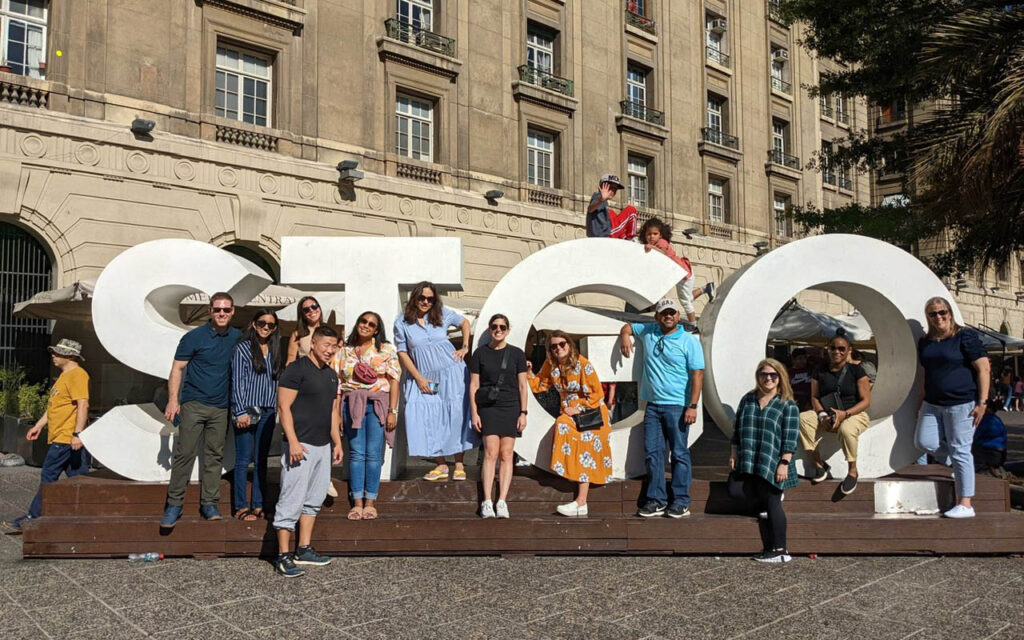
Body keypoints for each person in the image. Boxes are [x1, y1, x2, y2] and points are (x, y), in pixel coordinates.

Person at [161, 293, 241, 529]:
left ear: (233, 311)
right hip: (193, 404)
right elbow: (177, 369)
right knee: (184, 454)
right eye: (217, 309)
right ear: (210, 311)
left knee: (214, 456)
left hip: (221, 407)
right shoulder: (193, 337)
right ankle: (174, 505)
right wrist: (173, 401)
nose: (222, 313)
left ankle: (209, 504)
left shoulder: (238, 337)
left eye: (226, 309)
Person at [619, 298, 705, 518]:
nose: (668, 316)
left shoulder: (689, 341)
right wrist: (625, 336)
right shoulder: (649, 331)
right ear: (657, 316)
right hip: (653, 407)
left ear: (678, 316)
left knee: (679, 454)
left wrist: (693, 406)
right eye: (663, 313)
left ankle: (681, 501)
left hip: (678, 406)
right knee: (653, 454)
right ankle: (656, 500)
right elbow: (627, 326)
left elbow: (697, 374)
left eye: (672, 313)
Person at [273, 326, 343, 577]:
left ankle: (303, 549)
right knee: (291, 499)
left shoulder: (332, 375)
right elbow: (284, 407)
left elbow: (333, 412)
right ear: (312, 343)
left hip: (323, 445)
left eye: (334, 346)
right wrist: (292, 441)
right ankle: (282, 555)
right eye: (326, 345)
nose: (330, 350)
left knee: (313, 501)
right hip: (300, 445)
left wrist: (337, 443)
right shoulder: (295, 370)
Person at [1, 340, 90, 534]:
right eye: (53, 352)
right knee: (79, 478)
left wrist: (78, 434)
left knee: (49, 477)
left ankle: (32, 518)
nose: (53, 355)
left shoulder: (78, 375)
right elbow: (55, 408)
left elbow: (83, 405)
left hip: (66, 438)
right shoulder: (64, 376)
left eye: (57, 353)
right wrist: (39, 426)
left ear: (71, 356)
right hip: (61, 436)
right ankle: (89, 516)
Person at [915, 296, 990, 518]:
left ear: (949, 312)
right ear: (927, 317)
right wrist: (920, 402)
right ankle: (956, 462)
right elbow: (924, 374)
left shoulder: (964, 336)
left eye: (942, 312)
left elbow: (983, 369)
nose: (938, 317)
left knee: (961, 450)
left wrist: (982, 403)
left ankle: (966, 504)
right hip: (932, 403)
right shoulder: (925, 342)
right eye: (933, 313)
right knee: (923, 441)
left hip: (961, 404)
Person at [393, 281, 475, 481]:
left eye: (430, 299)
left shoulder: (441, 314)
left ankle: (458, 464)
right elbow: (402, 352)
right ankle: (440, 464)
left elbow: (464, 322)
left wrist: (465, 347)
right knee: (427, 415)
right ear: (414, 298)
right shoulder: (402, 322)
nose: (426, 302)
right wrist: (419, 378)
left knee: (455, 414)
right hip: (426, 376)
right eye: (422, 298)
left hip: (452, 372)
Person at [528, 330, 612, 517]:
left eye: (562, 344)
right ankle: (579, 500)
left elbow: (597, 395)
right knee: (564, 427)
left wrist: (578, 408)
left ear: (569, 345)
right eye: (553, 346)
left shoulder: (583, 364)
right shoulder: (552, 365)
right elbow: (540, 384)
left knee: (581, 445)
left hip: (590, 415)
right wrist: (528, 372)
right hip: (570, 416)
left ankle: (581, 502)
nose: (558, 348)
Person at [730, 358, 799, 564]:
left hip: (773, 461)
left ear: (780, 377)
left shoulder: (787, 404)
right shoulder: (747, 399)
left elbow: (791, 437)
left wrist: (784, 463)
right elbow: (737, 430)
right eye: (763, 374)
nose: (768, 378)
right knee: (734, 490)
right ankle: (763, 501)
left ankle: (779, 550)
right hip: (749, 459)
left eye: (773, 375)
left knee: (772, 502)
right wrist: (733, 453)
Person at [334, 311, 400, 520]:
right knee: (356, 452)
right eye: (363, 321)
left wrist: (392, 410)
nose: (366, 325)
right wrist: (336, 413)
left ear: (376, 329)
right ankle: (357, 502)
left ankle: (370, 501)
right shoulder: (344, 351)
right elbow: (337, 383)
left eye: (371, 324)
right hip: (352, 404)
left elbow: (394, 380)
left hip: (377, 404)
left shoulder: (386, 349)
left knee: (373, 453)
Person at [798, 329, 872, 495]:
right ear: (828, 349)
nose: (837, 352)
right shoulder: (819, 370)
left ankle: (852, 470)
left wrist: (844, 414)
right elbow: (815, 397)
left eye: (841, 349)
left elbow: (866, 401)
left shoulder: (857, 371)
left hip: (853, 413)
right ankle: (819, 464)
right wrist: (822, 415)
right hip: (827, 413)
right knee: (802, 419)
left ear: (849, 351)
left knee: (846, 430)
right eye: (833, 348)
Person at [469, 314, 529, 518]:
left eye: (502, 326)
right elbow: (474, 385)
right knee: (490, 452)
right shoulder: (480, 353)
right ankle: (487, 501)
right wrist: (474, 412)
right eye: (495, 326)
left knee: (507, 453)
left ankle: (501, 500)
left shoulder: (517, 354)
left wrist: (523, 412)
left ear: (508, 330)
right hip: (488, 407)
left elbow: (523, 385)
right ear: (489, 329)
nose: (498, 329)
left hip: (511, 406)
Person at [230, 309, 282, 521]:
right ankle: (241, 506)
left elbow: (277, 381)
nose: (266, 328)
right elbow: (237, 380)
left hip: (268, 408)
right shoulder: (242, 348)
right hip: (247, 408)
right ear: (253, 324)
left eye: (270, 325)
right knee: (243, 459)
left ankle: (259, 503)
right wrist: (239, 410)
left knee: (262, 459)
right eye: (262, 323)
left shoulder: (274, 348)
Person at [640, 217, 715, 324]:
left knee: (685, 301)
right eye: (649, 234)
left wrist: (651, 247)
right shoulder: (654, 245)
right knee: (687, 298)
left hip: (682, 272)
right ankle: (706, 288)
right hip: (682, 272)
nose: (651, 236)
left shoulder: (661, 243)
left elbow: (663, 253)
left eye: (655, 234)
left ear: (660, 235)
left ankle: (693, 324)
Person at [585, 174, 638, 239]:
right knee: (631, 210)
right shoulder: (598, 197)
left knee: (611, 213)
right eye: (611, 188)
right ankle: (630, 238)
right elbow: (590, 209)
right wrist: (600, 200)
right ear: (602, 187)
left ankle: (623, 236)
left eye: (615, 189)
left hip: (604, 233)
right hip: (606, 235)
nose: (613, 192)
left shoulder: (602, 201)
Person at [973, 400, 1008, 475]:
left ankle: (979, 469)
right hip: (1001, 453)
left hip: (990, 453)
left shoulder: (986, 420)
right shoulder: (997, 420)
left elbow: (975, 436)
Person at [286, 296, 324, 366]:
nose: (311, 310)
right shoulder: (297, 334)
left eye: (314, 306)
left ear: (319, 307)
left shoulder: (327, 331)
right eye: (306, 310)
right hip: (305, 374)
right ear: (302, 315)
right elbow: (290, 361)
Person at [789, 348, 814, 412]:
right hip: (795, 401)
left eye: (805, 358)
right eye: (800, 358)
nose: (803, 361)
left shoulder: (811, 369)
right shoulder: (789, 372)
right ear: (793, 359)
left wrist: (810, 357)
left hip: (810, 401)